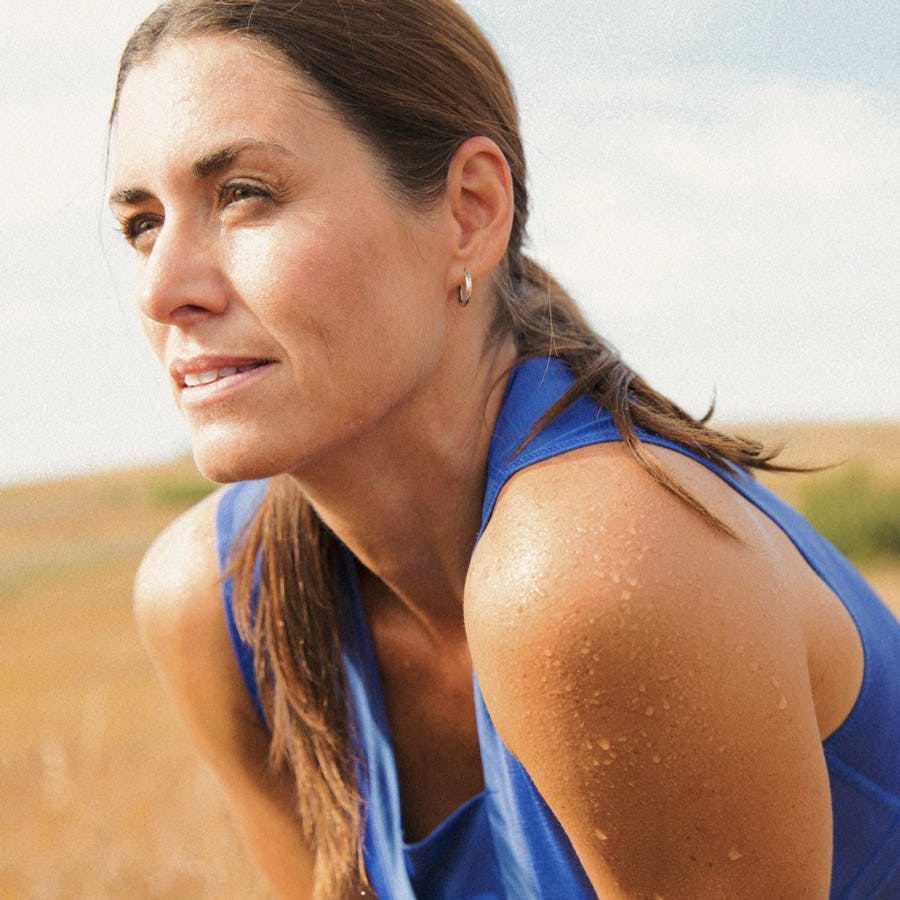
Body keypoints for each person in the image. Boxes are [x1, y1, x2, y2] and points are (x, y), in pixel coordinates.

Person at [108, 1, 899, 897]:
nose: (163, 287)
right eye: (140, 223)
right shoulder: (220, 606)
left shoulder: (590, 572)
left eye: (243, 194)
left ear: (469, 212)